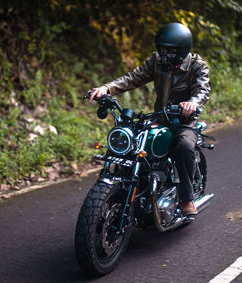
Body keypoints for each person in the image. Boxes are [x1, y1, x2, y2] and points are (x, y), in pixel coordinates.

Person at [90, 22, 210, 216]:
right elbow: (133, 78)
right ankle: (131, 191)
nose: (164, 54)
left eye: (169, 50)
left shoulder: (197, 66)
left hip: (184, 122)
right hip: (160, 119)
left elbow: (202, 90)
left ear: (182, 49)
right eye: (162, 49)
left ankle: (187, 198)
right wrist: (107, 88)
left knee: (184, 146)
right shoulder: (156, 61)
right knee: (134, 146)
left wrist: (192, 104)